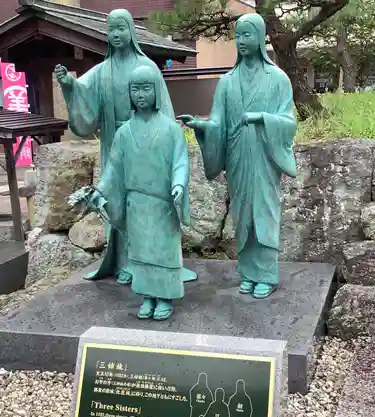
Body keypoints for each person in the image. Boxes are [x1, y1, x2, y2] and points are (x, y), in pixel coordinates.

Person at [55, 9, 196, 286]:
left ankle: (146, 263)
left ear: (131, 31)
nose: (116, 34)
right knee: (116, 201)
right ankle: (123, 260)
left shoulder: (147, 67)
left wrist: (165, 147)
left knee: (145, 206)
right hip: (115, 143)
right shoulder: (102, 71)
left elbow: (164, 112)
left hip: (145, 149)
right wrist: (69, 85)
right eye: (111, 30)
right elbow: (83, 93)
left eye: (121, 28)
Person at [179, 13, 297, 299]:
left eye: (248, 35)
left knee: (265, 213)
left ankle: (266, 274)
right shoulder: (227, 82)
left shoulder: (278, 79)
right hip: (237, 157)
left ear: (260, 37)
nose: (242, 41)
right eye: (239, 35)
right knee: (243, 215)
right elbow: (218, 122)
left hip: (264, 156)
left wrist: (262, 118)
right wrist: (203, 126)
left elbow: (289, 121)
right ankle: (248, 273)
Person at [87, 65, 190, 320]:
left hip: (163, 203)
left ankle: (165, 296)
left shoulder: (171, 130)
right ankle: (148, 296)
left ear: (157, 91)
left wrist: (178, 184)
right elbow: (113, 168)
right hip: (137, 203)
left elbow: (181, 161)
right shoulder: (123, 133)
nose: (141, 94)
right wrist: (100, 189)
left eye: (146, 88)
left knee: (163, 252)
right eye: (135, 89)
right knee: (141, 253)